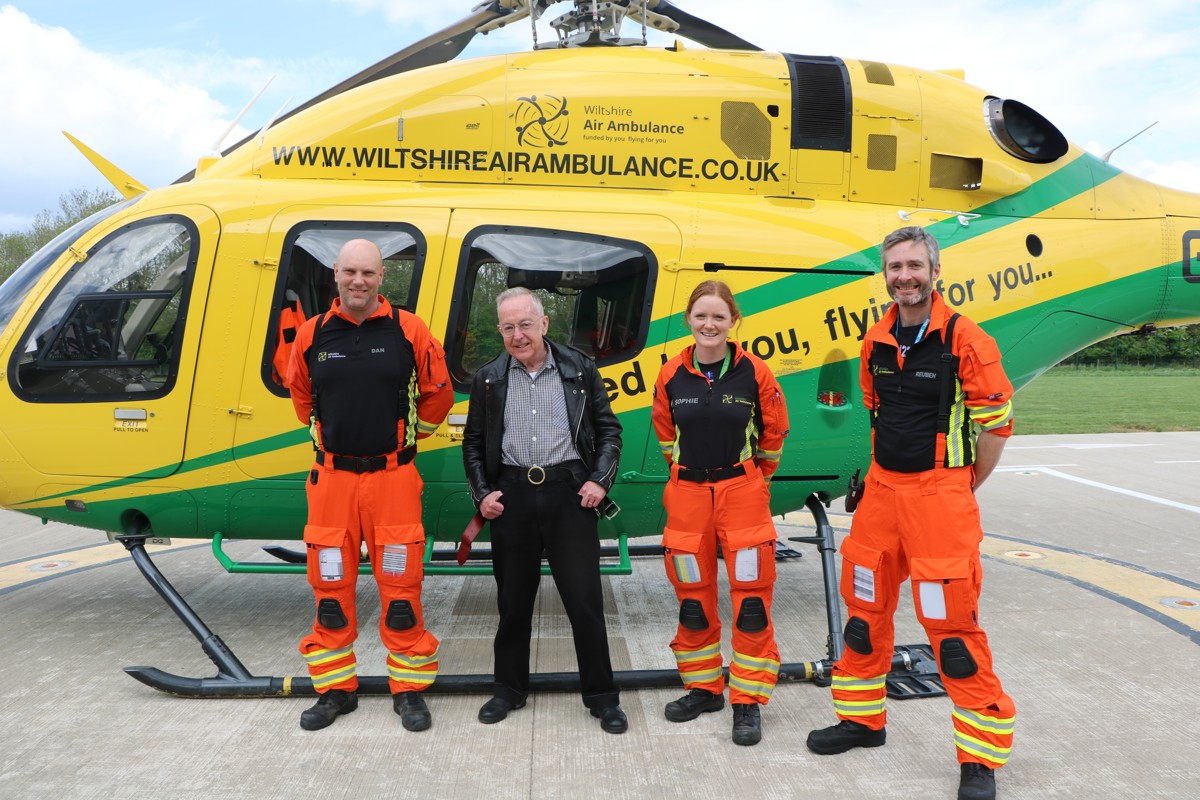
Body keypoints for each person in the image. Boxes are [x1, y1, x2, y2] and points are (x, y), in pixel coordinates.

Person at [805, 227, 1016, 800]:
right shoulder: (874, 338)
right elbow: (875, 410)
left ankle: (979, 759)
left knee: (950, 630)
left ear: (935, 270)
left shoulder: (967, 340)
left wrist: (961, 487)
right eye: (895, 266)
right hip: (881, 493)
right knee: (863, 610)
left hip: (939, 497)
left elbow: (996, 427)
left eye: (915, 265)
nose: (905, 276)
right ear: (886, 273)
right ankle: (861, 719)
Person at [286, 238, 453, 732]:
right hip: (332, 482)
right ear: (335, 274)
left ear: (383, 278)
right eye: (350, 272)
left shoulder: (409, 329)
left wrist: (405, 442)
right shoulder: (312, 334)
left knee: (401, 592)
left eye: (369, 273)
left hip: (394, 481)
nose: (359, 281)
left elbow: (437, 393)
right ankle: (337, 691)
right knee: (330, 589)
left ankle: (409, 692)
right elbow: (300, 394)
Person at [462, 287, 627, 734]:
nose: (518, 335)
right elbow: (474, 443)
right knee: (513, 604)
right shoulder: (490, 378)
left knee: (585, 604)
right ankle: (508, 690)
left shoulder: (579, 369)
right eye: (508, 327)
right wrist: (482, 494)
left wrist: (599, 479)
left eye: (525, 325)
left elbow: (609, 431)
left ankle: (601, 697)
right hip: (512, 499)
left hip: (568, 496)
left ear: (544, 324)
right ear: (500, 330)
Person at [651, 280, 790, 746]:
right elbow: (666, 438)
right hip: (688, 494)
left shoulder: (756, 373)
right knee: (693, 601)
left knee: (751, 604)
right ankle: (703, 688)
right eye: (700, 316)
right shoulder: (671, 375)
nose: (709, 325)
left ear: (733, 322)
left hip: (742, 491)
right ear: (689, 321)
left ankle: (747, 702)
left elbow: (774, 436)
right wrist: (688, 479)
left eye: (718, 317)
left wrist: (751, 481)